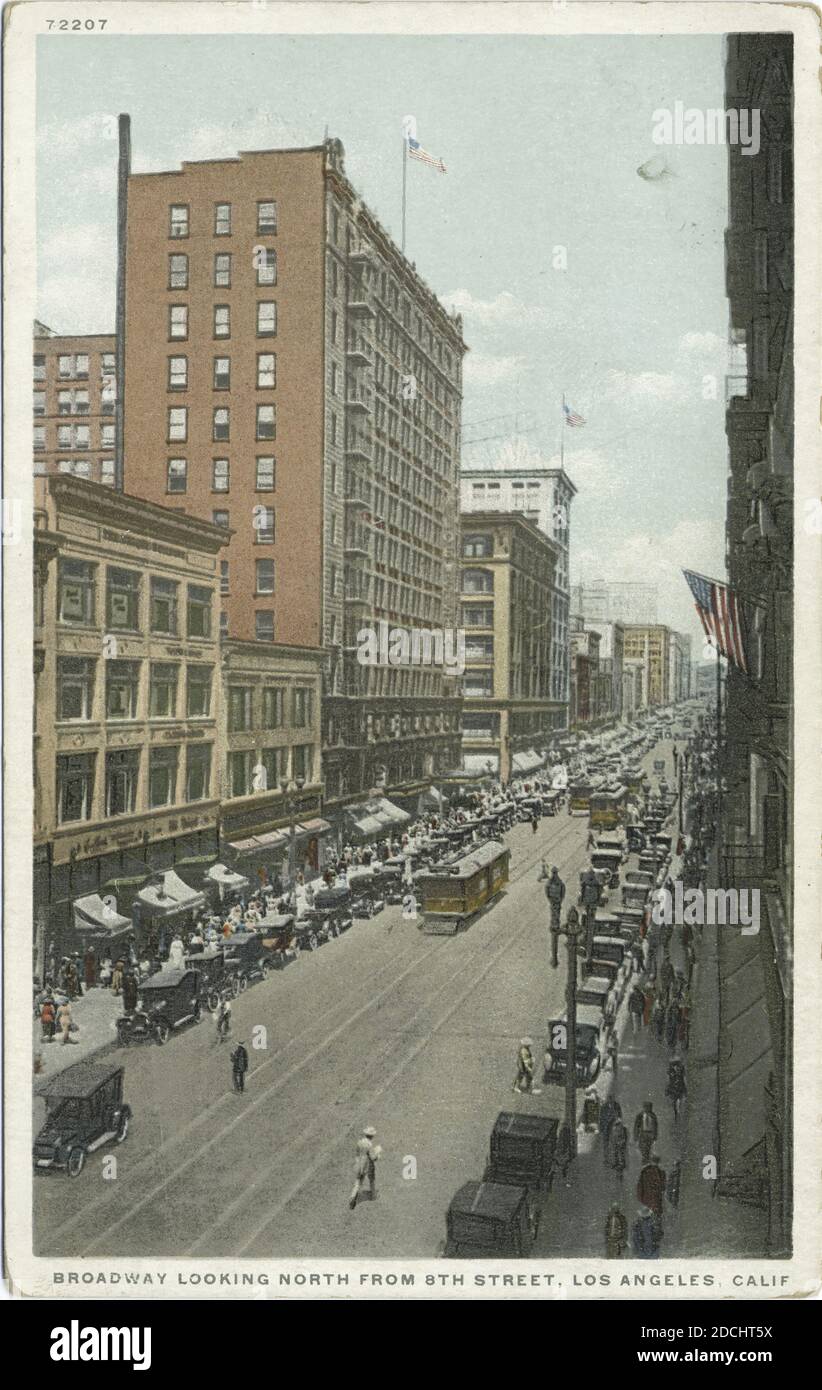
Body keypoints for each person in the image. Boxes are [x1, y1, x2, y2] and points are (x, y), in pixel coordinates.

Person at [349, 1126, 382, 1209]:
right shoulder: (369, 1145)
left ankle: (352, 1196)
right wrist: (378, 1153)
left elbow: (357, 1154)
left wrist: (358, 1163)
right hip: (368, 1165)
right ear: (371, 1136)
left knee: (358, 1181)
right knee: (372, 1179)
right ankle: (373, 1196)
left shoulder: (359, 1142)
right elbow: (372, 1157)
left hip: (359, 1164)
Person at [636, 1154, 667, 1218]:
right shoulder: (660, 1173)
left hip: (648, 1201)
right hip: (655, 1202)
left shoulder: (645, 1172)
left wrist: (641, 1199)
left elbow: (639, 1188)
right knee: (655, 1219)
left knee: (648, 1218)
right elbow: (663, 1187)